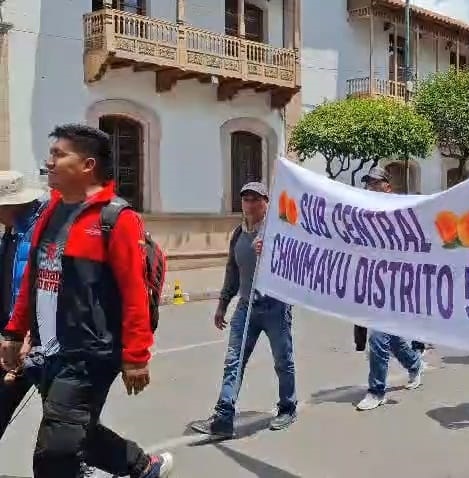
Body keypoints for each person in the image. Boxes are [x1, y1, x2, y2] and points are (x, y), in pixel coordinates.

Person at [0, 124, 172, 477]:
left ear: (87, 165)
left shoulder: (116, 219)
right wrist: (14, 332)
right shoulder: (51, 211)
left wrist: (137, 356)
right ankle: (143, 466)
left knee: (54, 455)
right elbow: (34, 277)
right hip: (47, 352)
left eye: (59, 154)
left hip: (88, 354)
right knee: (75, 429)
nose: (49, 162)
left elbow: (134, 293)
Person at [191, 181, 297, 438]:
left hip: (275, 307)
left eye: (256, 199)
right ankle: (224, 417)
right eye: (246, 199)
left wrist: (271, 252)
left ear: (266, 203)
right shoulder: (239, 233)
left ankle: (287, 407)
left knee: (283, 361)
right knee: (233, 362)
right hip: (246, 307)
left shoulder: (278, 231)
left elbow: (293, 265)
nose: (250, 203)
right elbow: (232, 270)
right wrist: (222, 304)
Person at [355, 166, 424, 411]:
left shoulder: (401, 212)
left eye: (376, 183)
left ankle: (376, 390)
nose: (371, 187)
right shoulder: (364, 214)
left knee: (377, 336)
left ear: (388, 186)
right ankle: (414, 363)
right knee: (390, 337)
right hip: (373, 284)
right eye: (368, 184)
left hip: (396, 285)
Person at [0, 171, 46, 437]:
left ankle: (140, 465)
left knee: (65, 418)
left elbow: (39, 290)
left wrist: (27, 334)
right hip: (14, 336)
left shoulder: (42, 232)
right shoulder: (13, 232)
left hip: (39, 341)